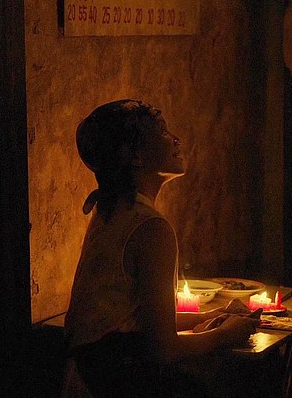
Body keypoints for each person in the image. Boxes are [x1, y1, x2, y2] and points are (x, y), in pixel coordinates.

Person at [63, 99, 260, 397]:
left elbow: (137, 321)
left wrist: (206, 316)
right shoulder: (150, 228)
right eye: (163, 131)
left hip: (85, 377)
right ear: (136, 156)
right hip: (115, 384)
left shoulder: (111, 211)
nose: (176, 140)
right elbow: (164, 349)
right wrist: (225, 335)